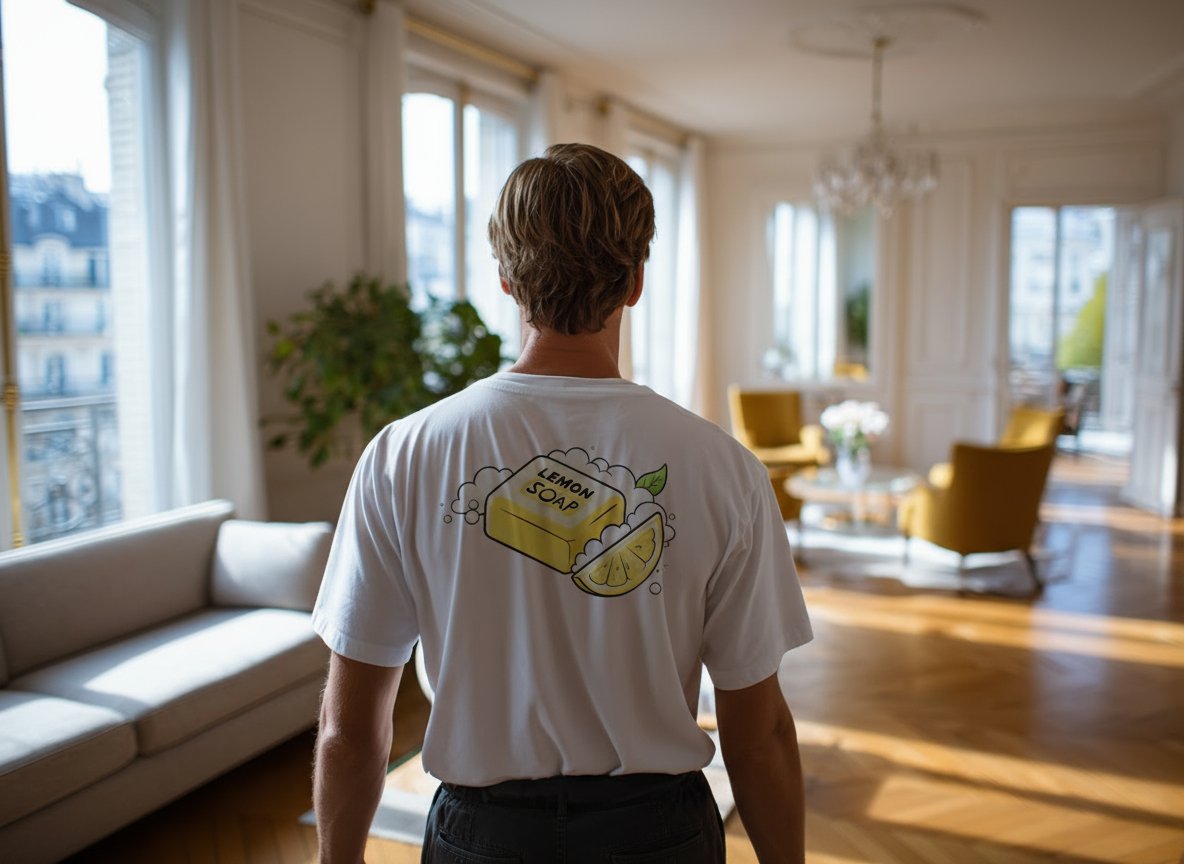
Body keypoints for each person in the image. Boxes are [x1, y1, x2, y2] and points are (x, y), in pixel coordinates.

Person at [312, 142, 812, 864]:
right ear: (636, 279)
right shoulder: (723, 467)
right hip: (659, 835)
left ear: (508, 281)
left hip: (479, 838)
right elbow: (758, 731)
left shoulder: (403, 454)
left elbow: (350, 727)